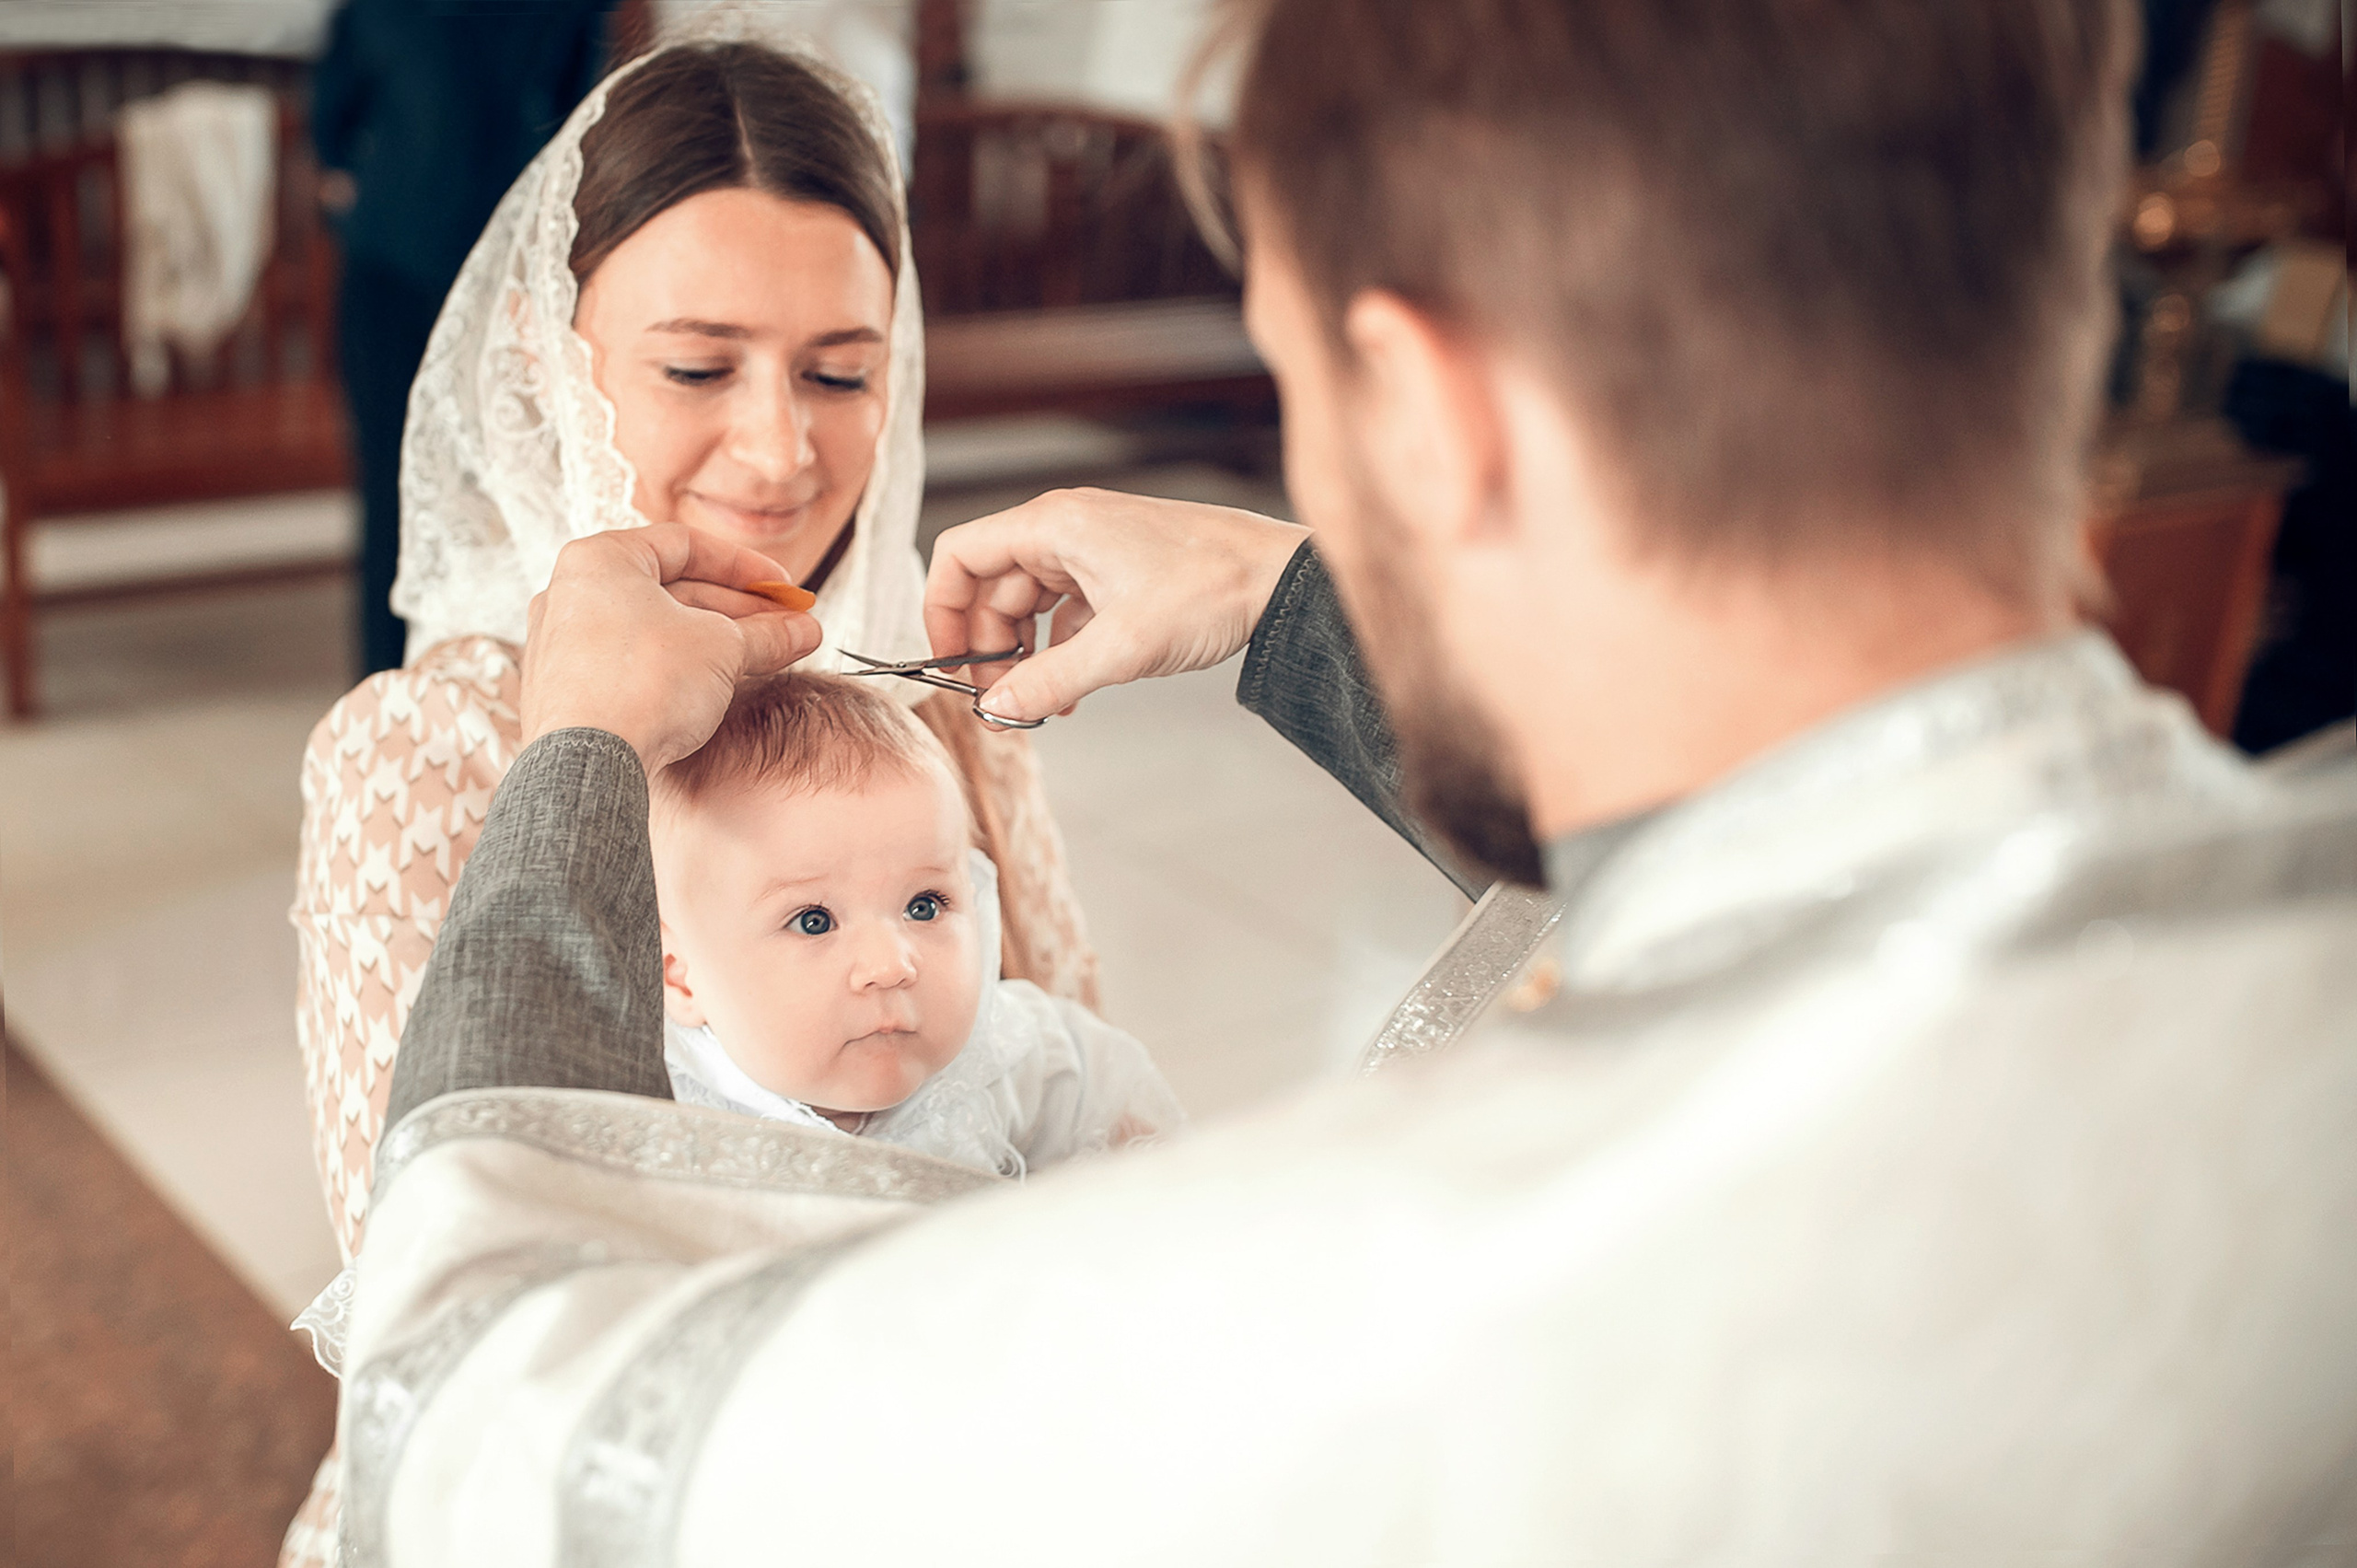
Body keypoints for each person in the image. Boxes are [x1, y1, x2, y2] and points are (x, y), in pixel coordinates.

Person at [331, 0, 2355, 1561]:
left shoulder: (1274, 1328)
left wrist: (583, 753)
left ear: (1428, 409)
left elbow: (467, 1416)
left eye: (1300, 395)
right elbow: (1758, 885)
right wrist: (1278, 587)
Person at [279, 30, 1101, 1566]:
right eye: (697, 365)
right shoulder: (423, 750)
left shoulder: (943, 712)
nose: (783, 448)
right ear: (543, 357)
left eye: (842, 371)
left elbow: (1076, 1087)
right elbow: (447, 1287)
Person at [654, 670, 1181, 1170]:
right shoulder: (664, 1114)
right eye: (814, 921)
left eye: (923, 906)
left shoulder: (1001, 1055)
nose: (890, 966)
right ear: (680, 974)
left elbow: (1110, 1094)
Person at [311, 0, 620, 676]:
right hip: (466, 268)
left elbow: (332, 135)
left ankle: (412, 682)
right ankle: (456, 680)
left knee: (417, 486)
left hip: (434, 262)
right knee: (471, 484)